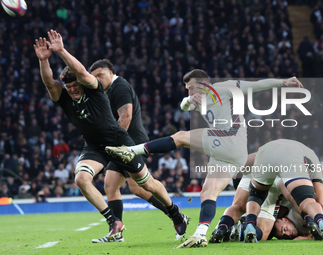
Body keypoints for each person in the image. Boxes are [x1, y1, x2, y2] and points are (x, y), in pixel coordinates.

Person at [106, 69, 303, 248]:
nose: (190, 92)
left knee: (181, 137)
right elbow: (183, 105)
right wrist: (188, 100)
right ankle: (200, 234)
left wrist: (283, 82)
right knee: (207, 193)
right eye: (187, 89)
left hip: (230, 139)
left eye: (191, 88)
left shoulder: (223, 88)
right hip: (227, 154)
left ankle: (133, 150)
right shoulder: (198, 99)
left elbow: (256, 85)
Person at [33, 30, 188, 243]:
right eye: (68, 87)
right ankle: (114, 223)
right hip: (95, 147)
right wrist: (44, 61)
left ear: (82, 82)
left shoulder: (94, 89)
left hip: (120, 143)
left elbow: (83, 73)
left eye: (74, 85)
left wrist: (61, 51)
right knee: (82, 178)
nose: (71, 90)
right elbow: (50, 83)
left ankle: (175, 212)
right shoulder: (64, 97)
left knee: (146, 184)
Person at [89, 59, 172, 242]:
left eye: (100, 75)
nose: (98, 79)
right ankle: (116, 231)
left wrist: (107, 146)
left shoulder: (120, 87)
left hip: (131, 144)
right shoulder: (107, 90)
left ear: (111, 72)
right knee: (111, 185)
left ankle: (175, 214)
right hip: (120, 144)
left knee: (140, 187)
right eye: (94, 77)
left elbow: (125, 120)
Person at [242, 139, 323, 242]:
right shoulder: (311, 162)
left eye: (284, 232)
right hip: (287, 177)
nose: (287, 234)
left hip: (265, 165)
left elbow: (258, 156)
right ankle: (319, 221)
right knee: (307, 199)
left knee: (255, 197)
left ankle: (247, 224)